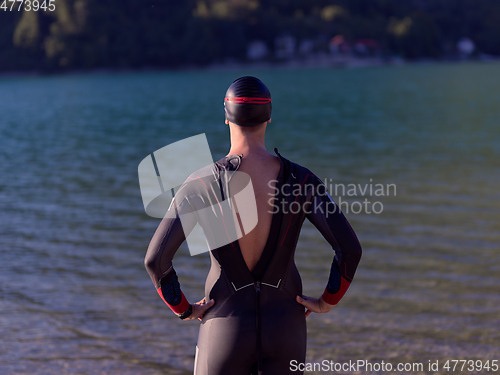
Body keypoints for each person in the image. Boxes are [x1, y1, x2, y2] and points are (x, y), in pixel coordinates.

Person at [144, 76, 362, 375]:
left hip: (224, 329)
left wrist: (184, 309)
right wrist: (326, 301)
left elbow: (156, 260)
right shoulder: (302, 180)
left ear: (226, 116)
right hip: (286, 329)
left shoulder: (199, 184)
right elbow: (349, 249)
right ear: (269, 117)